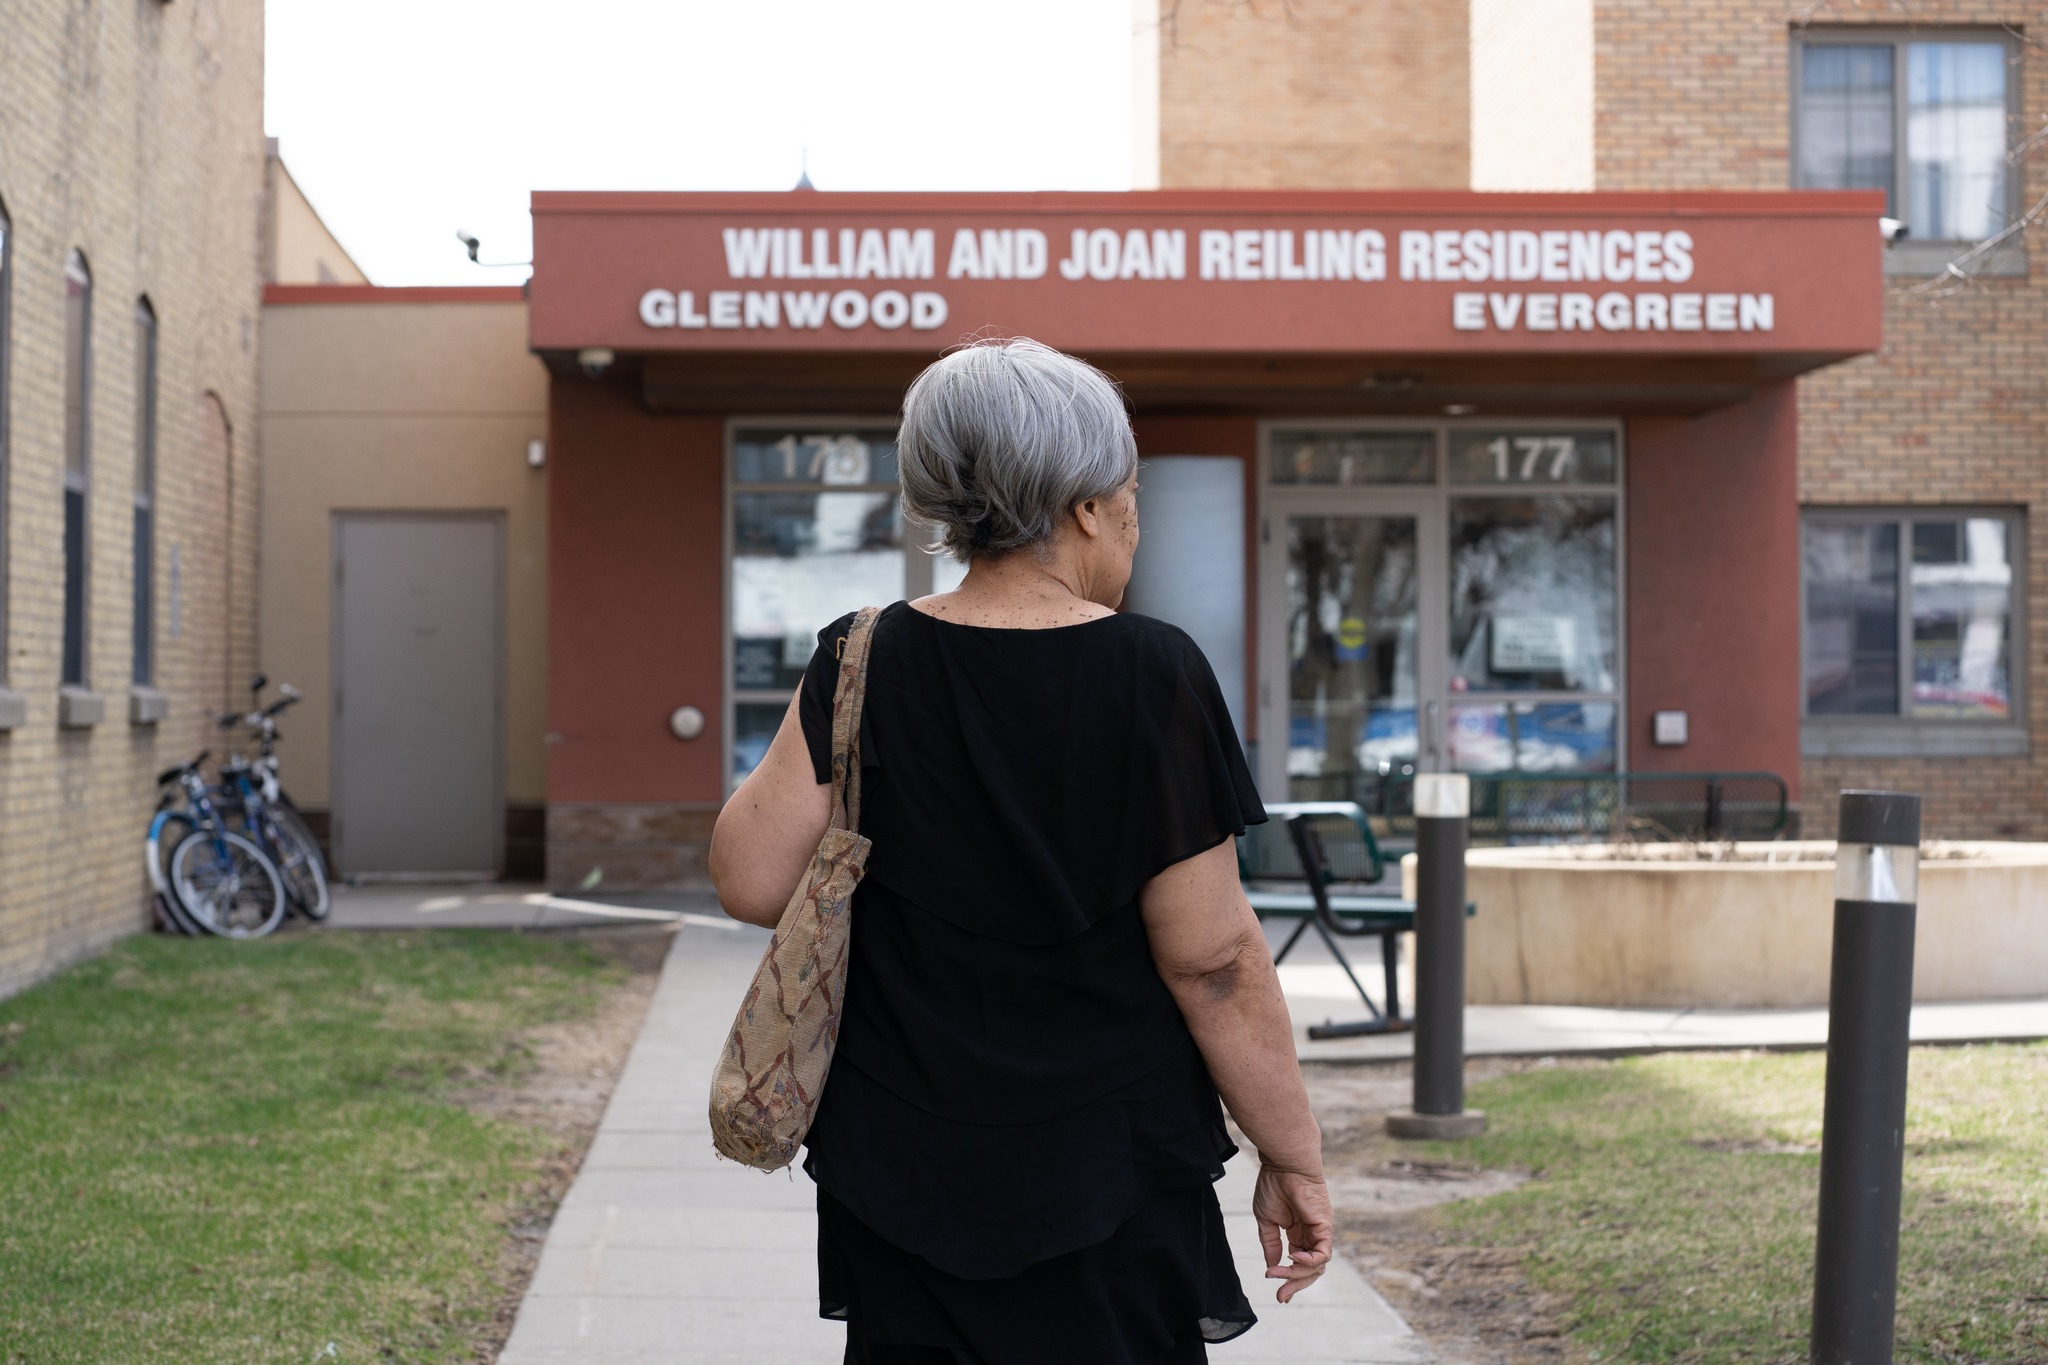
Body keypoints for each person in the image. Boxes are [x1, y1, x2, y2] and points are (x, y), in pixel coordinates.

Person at [709, 337, 1331, 1364]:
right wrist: (1290, 1153)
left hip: (900, 1162)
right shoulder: (1152, 672)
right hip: (1109, 1166)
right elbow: (1212, 962)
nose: (1135, 515)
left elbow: (749, 878)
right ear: (1086, 503)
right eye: (1129, 491)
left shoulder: (860, 655)